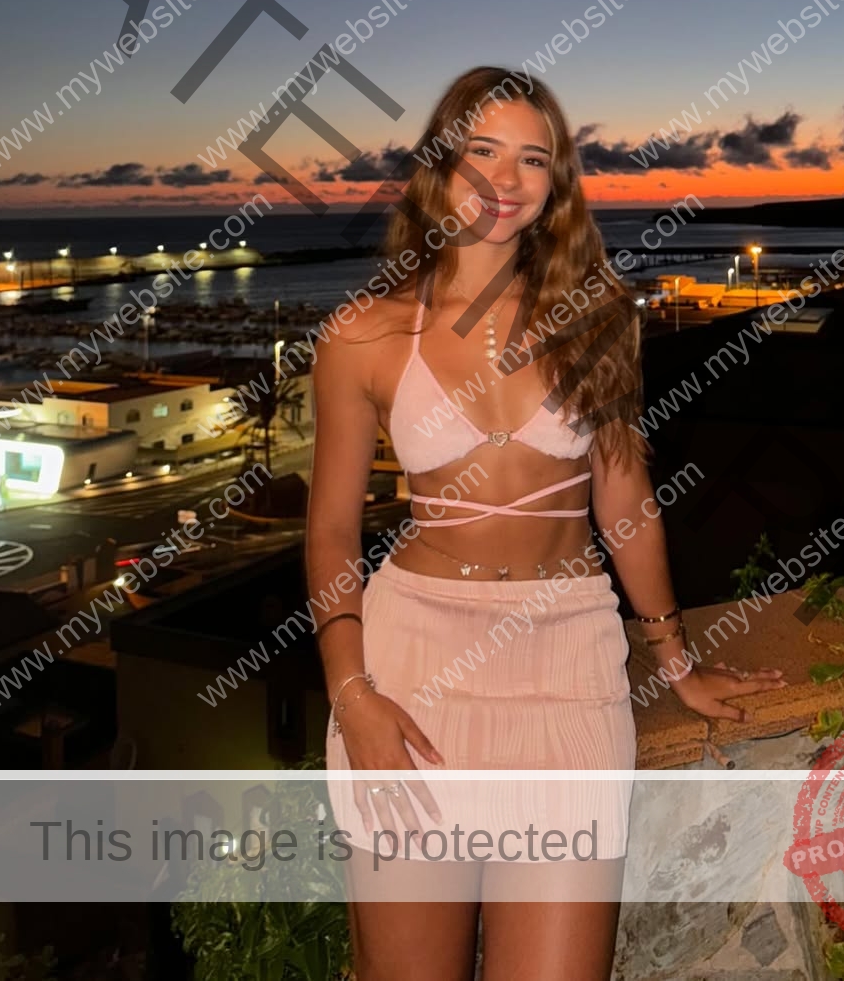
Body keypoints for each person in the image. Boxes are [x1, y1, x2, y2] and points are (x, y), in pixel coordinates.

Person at [309, 66, 787, 980]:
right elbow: (330, 531)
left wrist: (675, 659)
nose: (505, 178)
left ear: (556, 182)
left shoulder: (596, 317)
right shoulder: (361, 335)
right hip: (414, 671)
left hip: (568, 660)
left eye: (533, 158)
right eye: (482, 151)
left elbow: (625, 504)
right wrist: (352, 694)